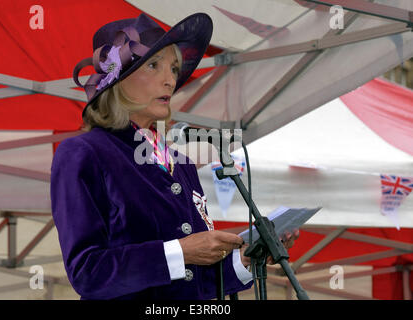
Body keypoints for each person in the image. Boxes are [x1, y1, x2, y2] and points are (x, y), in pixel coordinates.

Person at [51, 12, 298, 300]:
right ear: (117, 82)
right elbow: (88, 273)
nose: (170, 80)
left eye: (173, 68)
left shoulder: (181, 163)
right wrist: (181, 251)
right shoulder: (84, 153)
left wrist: (245, 257)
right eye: (154, 66)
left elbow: (196, 281)